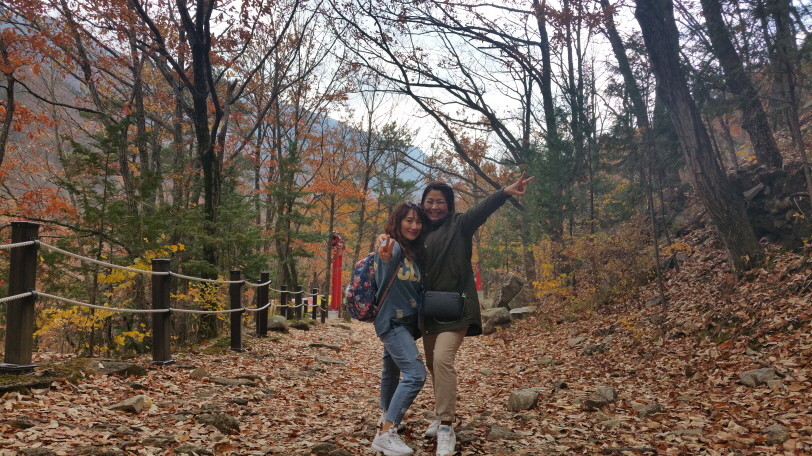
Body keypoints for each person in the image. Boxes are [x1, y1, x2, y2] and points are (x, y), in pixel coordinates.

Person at [420, 173, 534, 456]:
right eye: (429, 202)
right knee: (433, 365)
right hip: (429, 310)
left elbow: (481, 209)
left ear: (449, 205)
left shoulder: (460, 224)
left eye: (440, 202)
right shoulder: (418, 230)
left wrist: (504, 192)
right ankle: (441, 413)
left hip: (457, 309)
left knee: (442, 360)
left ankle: (446, 427)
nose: (434, 207)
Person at [371, 201, 429, 456]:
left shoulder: (414, 253)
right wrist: (383, 250)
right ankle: (386, 433)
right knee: (416, 374)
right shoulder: (392, 247)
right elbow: (385, 254)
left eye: (418, 221)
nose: (414, 225)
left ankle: (385, 416)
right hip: (392, 322)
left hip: (406, 323)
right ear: (398, 222)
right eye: (409, 220)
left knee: (391, 371)